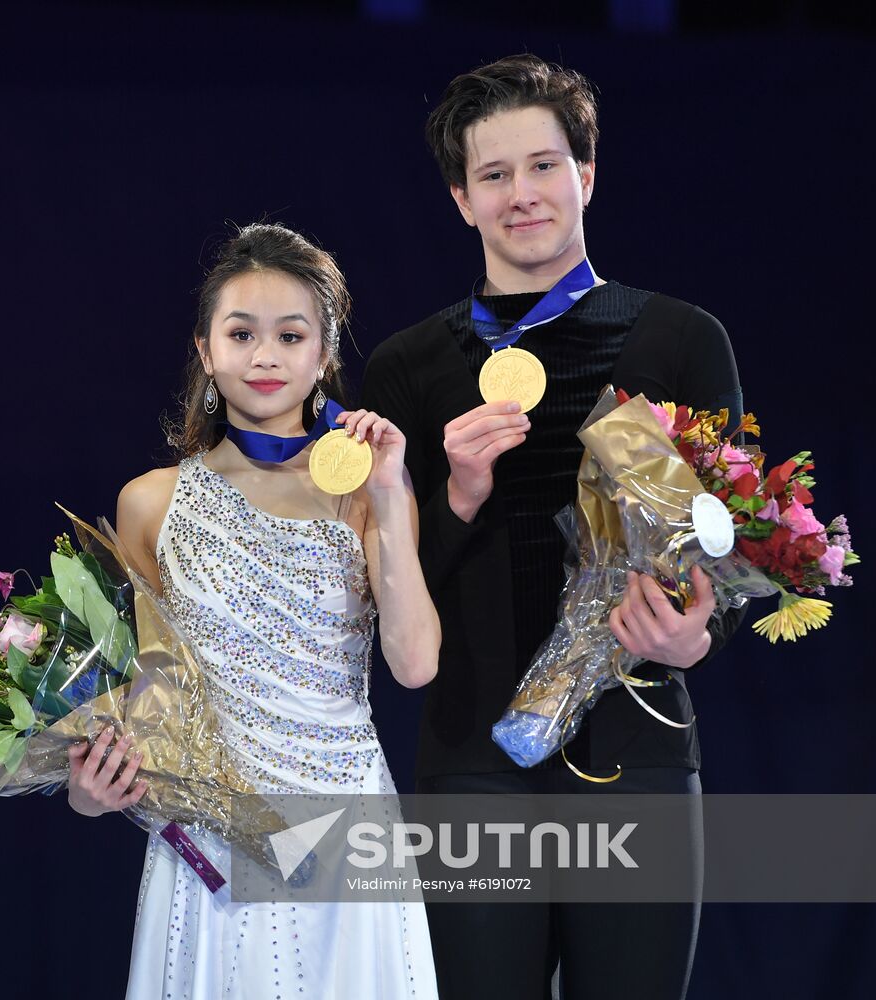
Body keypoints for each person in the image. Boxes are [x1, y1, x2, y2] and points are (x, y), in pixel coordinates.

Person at [361, 54, 747, 1000]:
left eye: (544, 165)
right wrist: (454, 495)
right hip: (470, 763)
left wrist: (699, 629)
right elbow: (387, 592)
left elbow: (730, 545)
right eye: (493, 175)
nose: (522, 194)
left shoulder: (682, 340)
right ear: (461, 199)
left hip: (640, 746)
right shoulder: (408, 369)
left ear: (587, 174)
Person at [66, 222, 441, 1000]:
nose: (265, 355)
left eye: (290, 334)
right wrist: (87, 785)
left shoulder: (367, 493)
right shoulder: (149, 503)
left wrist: (389, 499)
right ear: (207, 350)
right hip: (207, 839)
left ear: (323, 352)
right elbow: (142, 703)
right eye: (241, 333)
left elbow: (414, 664)